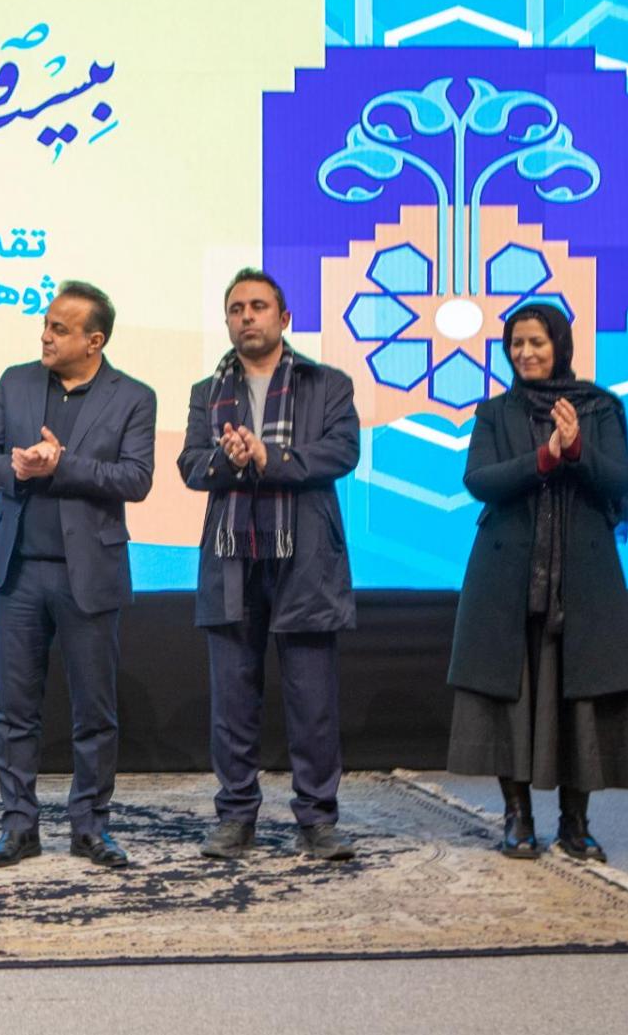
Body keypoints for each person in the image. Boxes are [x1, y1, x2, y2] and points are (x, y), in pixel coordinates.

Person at [0, 282, 156, 869]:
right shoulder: (16, 381)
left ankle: (90, 827)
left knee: (94, 711)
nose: (45, 336)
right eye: (46, 324)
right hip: (18, 570)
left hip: (89, 574)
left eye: (60, 328)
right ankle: (18, 826)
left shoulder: (133, 397)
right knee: (14, 710)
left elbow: (136, 479)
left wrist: (64, 464)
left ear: (94, 341)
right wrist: (18, 468)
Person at [448, 302, 628, 860]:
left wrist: (576, 450)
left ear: (560, 345)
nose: (525, 353)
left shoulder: (600, 407)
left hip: (583, 580)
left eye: (537, 342)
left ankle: (575, 823)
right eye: (516, 344)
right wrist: (543, 458)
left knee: (579, 699)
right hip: (507, 580)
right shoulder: (495, 412)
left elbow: (618, 480)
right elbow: (478, 479)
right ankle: (518, 818)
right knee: (510, 699)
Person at [178, 268, 360, 862]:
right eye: (236, 309)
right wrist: (228, 460)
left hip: (304, 559)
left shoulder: (326, 383)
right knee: (233, 700)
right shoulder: (207, 390)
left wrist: (268, 456)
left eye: (258, 306)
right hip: (231, 558)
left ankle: (318, 820)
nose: (246, 317)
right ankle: (236, 818)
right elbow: (189, 464)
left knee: (313, 701)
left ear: (283, 318)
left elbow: (341, 452)